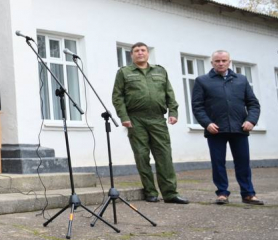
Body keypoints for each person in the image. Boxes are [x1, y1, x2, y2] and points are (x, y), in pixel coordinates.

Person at [112, 42, 189, 204]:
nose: (140, 53)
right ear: (131, 55)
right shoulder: (124, 73)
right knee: (142, 156)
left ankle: (170, 193)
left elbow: (169, 93)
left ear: (148, 53)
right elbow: (117, 97)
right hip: (136, 119)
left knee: (164, 155)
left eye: (143, 50)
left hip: (157, 119)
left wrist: (173, 112)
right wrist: (124, 117)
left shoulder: (160, 71)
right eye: (136, 51)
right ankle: (150, 192)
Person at [191, 50, 264, 205]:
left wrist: (251, 120)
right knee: (218, 163)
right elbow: (197, 107)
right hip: (215, 130)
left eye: (224, 60)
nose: (221, 63)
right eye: (217, 61)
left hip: (240, 129)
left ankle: (248, 194)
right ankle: (222, 193)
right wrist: (207, 123)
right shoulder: (202, 81)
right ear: (212, 63)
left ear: (229, 62)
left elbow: (253, 104)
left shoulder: (241, 80)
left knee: (243, 162)